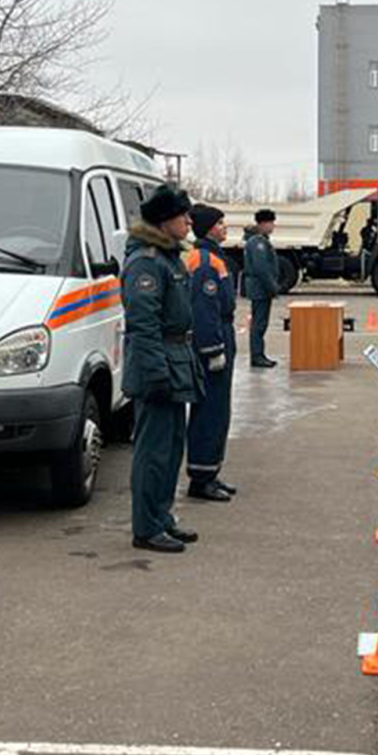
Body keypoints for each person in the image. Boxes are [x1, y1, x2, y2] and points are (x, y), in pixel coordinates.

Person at [122, 184, 202, 553]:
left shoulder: (167, 257)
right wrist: (157, 373)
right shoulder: (147, 262)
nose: (189, 220)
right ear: (164, 220)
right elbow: (143, 324)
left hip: (174, 362)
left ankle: (161, 517)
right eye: (182, 215)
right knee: (153, 451)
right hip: (159, 366)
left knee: (170, 449)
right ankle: (146, 527)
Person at [183, 204, 238, 503]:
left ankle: (211, 471)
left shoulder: (214, 257)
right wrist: (213, 349)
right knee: (210, 411)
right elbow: (205, 311)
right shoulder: (205, 262)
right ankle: (201, 478)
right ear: (207, 228)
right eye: (220, 223)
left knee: (220, 410)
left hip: (223, 333)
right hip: (213, 340)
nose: (225, 227)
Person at [242, 208, 281, 369]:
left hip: (259, 288)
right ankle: (257, 356)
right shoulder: (257, 243)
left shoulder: (258, 240)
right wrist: (272, 288)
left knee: (260, 323)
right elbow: (261, 269)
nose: (273, 226)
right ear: (263, 223)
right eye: (271, 223)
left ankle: (259, 354)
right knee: (259, 324)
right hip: (260, 289)